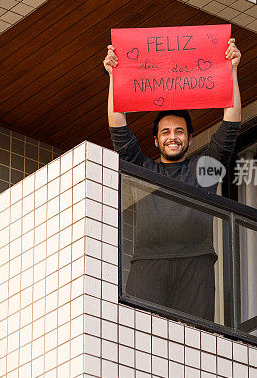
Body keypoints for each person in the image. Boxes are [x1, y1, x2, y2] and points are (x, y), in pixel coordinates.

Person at [103, 39, 242, 322]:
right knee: (135, 334)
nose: (173, 137)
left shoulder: (203, 171)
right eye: (165, 132)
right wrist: (115, 77)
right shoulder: (143, 169)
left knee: (196, 340)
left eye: (179, 131)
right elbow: (119, 129)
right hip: (147, 264)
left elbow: (230, 128)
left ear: (190, 138)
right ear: (156, 140)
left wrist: (231, 71)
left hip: (197, 263)